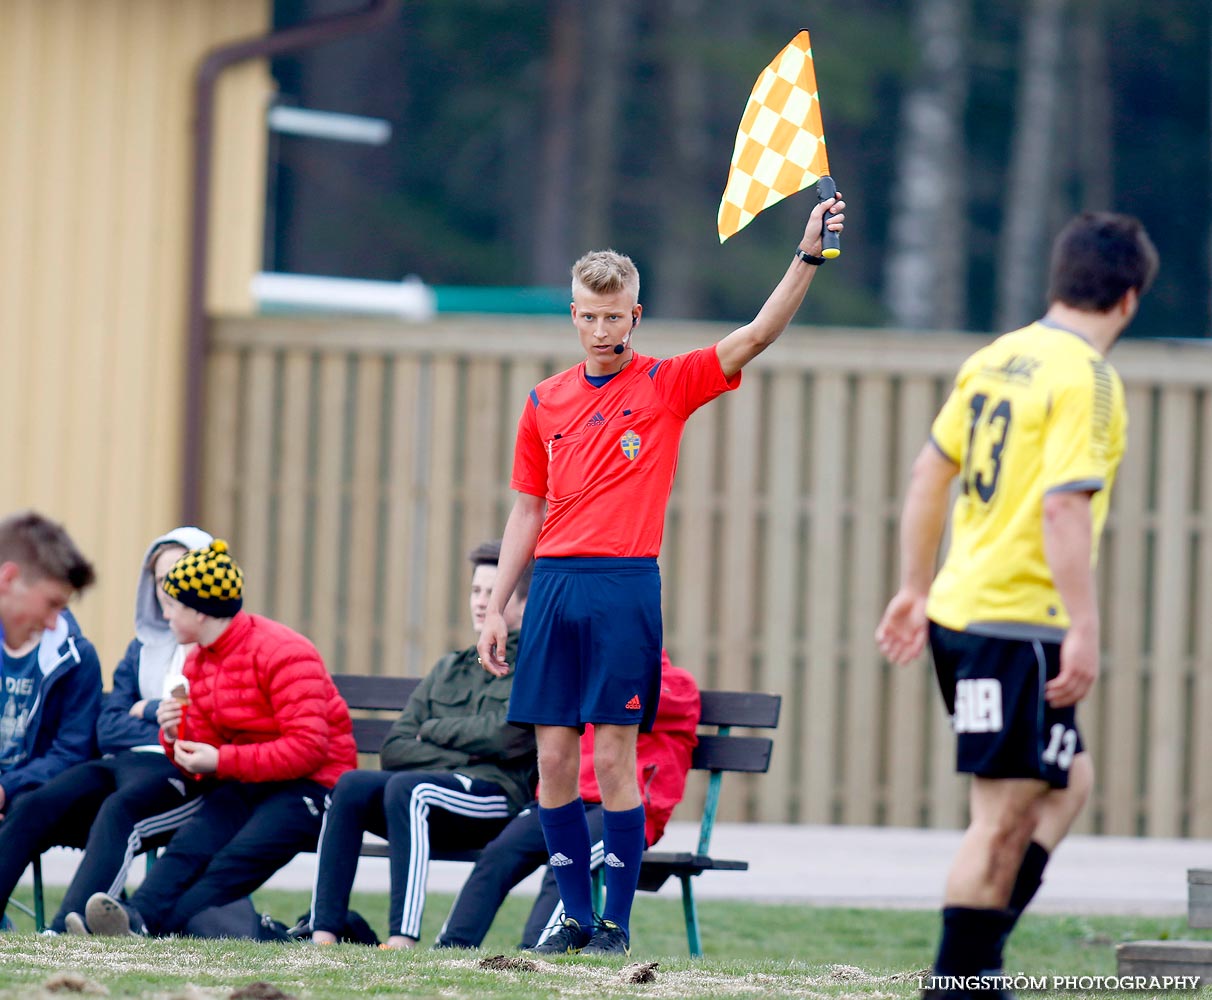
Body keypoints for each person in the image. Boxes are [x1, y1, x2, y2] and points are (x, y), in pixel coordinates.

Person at [477, 194, 845, 956]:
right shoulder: (544, 401)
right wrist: (496, 605)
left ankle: (614, 923)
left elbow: (756, 335)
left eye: (614, 317)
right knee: (550, 757)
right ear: (573, 317)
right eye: (588, 316)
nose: (601, 330)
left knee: (609, 754)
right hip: (551, 590)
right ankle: (573, 916)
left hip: (623, 588)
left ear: (634, 315)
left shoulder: (667, 385)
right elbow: (524, 512)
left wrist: (806, 255)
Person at [875, 212, 1158, 995]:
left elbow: (929, 474)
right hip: (1015, 623)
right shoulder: (1088, 379)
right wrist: (1085, 629)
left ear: (1058, 281)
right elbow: (1064, 508)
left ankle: (978, 962)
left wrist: (914, 586)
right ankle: (957, 982)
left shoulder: (999, 356)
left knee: (1067, 784)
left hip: (965, 612)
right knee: (1000, 818)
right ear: (1129, 299)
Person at [76, 538, 358, 938]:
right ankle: (134, 919)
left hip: (314, 788)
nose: (165, 613)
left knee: (230, 863)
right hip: (250, 782)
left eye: (172, 604)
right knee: (191, 843)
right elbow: (201, 754)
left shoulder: (285, 652)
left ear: (198, 611)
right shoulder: (198, 660)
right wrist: (174, 736)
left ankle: (152, 928)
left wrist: (221, 761)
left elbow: (309, 749)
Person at [309, 540, 536, 950]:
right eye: (476, 591)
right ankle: (322, 931)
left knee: (408, 788)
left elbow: (507, 737)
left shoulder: (533, 664)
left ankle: (402, 939)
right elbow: (395, 748)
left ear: (523, 601)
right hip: (430, 798)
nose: (481, 603)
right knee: (351, 785)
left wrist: (431, 730)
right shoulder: (450, 668)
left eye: (494, 592)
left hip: (493, 798)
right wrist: (467, 746)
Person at [0, 528, 213, 934]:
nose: (167, 590)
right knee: (35, 803)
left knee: (118, 811)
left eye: (178, 575)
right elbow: (109, 726)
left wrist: (146, 711)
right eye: (159, 579)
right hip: (118, 762)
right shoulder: (142, 648)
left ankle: (64, 929)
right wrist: (160, 713)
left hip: (179, 773)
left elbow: (202, 726)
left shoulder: (217, 650)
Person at [435, 651, 699, 950]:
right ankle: (449, 948)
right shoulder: (583, 675)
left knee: (570, 860)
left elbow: (642, 701)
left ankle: (539, 951)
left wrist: (601, 675)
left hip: (623, 811)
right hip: (566, 802)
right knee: (498, 854)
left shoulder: (677, 685)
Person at [0, 511, 100, 928]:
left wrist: (7, 789)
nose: (56, 619)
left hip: (30, 795)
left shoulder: (76, 657)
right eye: (52, 602)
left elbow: (70, 753)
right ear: (9, 580)